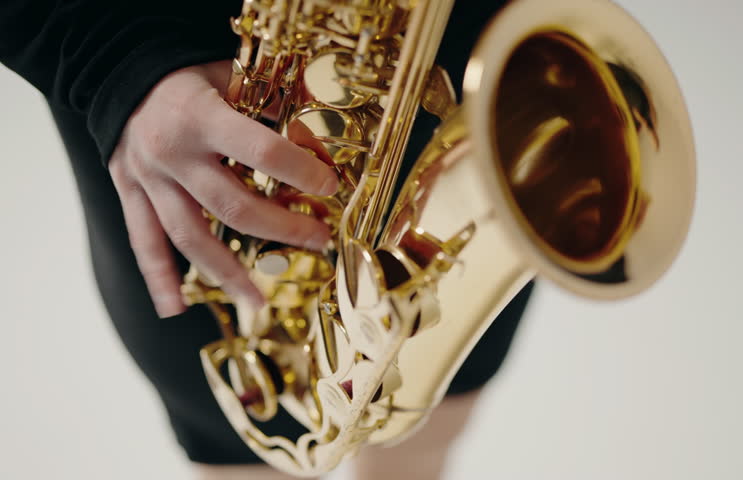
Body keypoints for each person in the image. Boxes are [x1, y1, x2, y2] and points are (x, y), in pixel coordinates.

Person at [1, 1, 533, 479]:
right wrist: (111, 62)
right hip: (195, 132)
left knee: (424, 436)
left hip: (477, 66)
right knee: (245, 447)